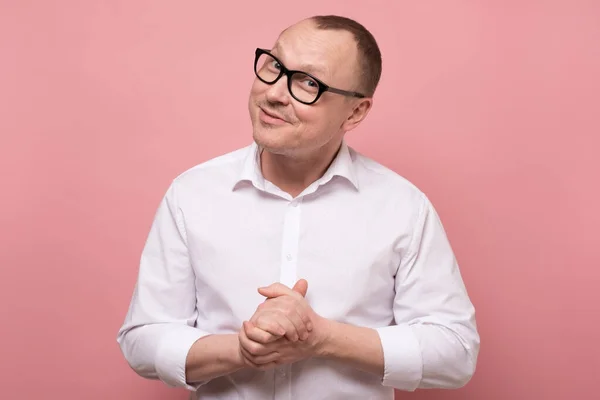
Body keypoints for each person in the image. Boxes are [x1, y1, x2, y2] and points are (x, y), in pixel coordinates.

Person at [117, 14, 480, 400]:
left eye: (309, 82)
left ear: (355, 112)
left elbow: (456, 352)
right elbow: (142, 339)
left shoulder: (403, 207)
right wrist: (241, 349)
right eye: (274, 65)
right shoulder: (191, 193)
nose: (274, 92)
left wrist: (323, 338)